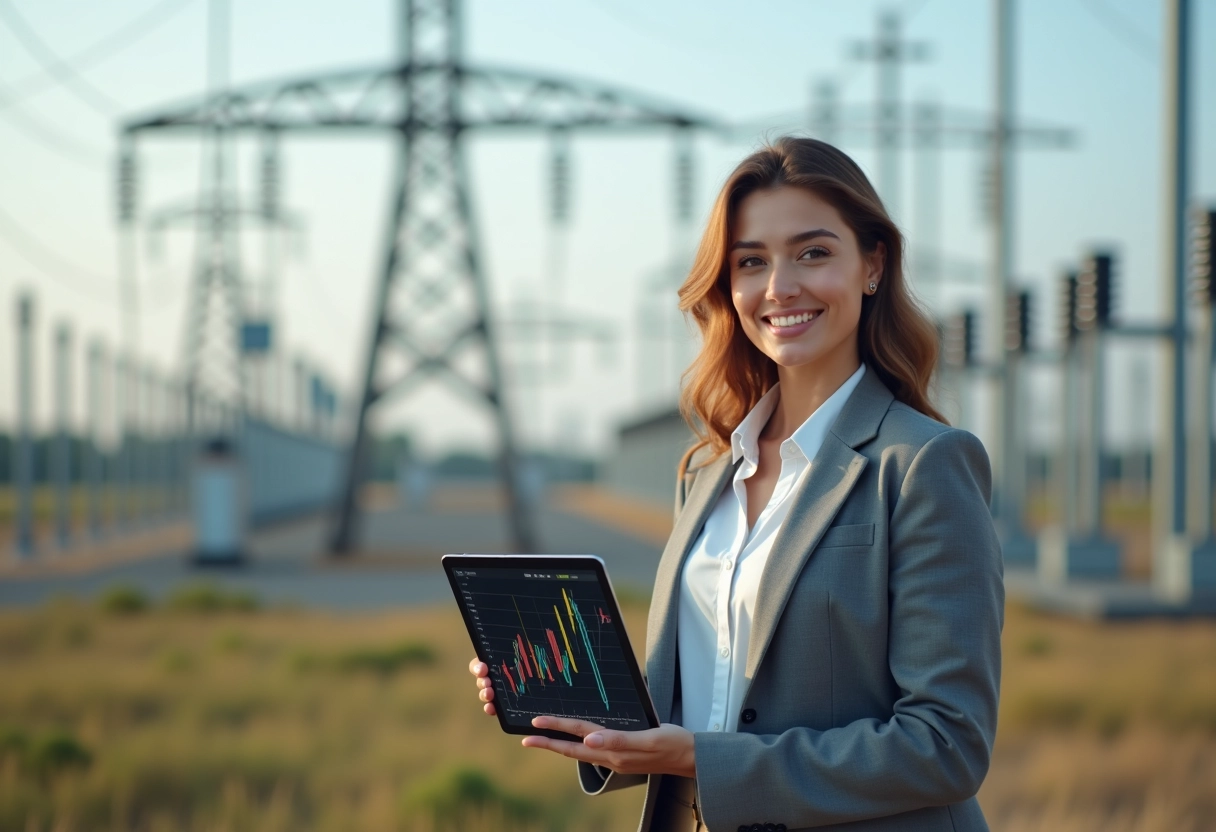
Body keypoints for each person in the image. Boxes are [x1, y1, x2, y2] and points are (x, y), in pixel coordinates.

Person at [469, 136, 1004, 831]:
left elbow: (947, 747)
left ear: (872, 265)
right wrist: (581, 712)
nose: (780, 286)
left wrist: (704, 758)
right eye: (751, 262)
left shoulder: (925, 463)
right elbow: (712, 701)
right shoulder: (707, 472)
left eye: (813, 253)